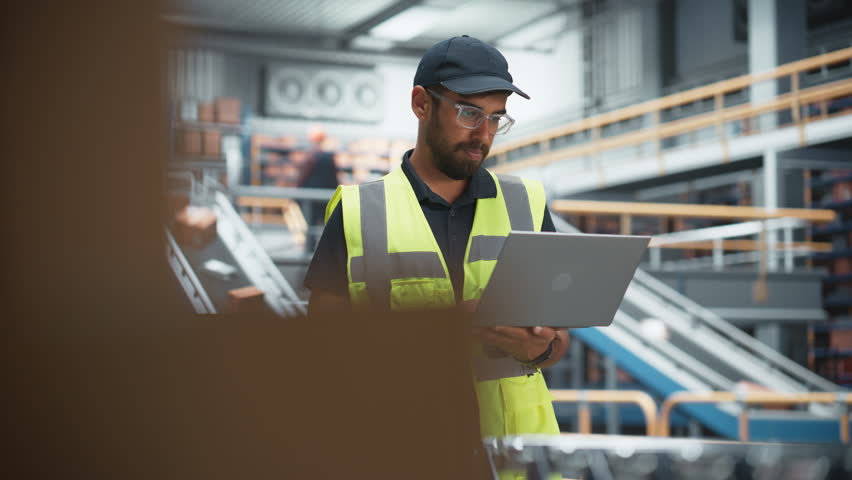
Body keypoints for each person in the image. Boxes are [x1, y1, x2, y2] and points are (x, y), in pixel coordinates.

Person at [303, 35, 568, 442]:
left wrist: (541, 349)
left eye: (496, 118)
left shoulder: (527, 203)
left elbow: (556, 340)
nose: (484, 134)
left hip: (513, 457)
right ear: (421, 104)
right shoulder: (357, 211)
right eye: (469, 113)